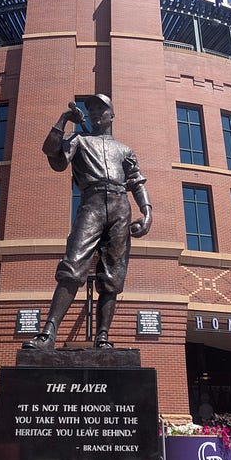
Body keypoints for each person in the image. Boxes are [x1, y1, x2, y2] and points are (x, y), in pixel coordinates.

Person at [22, 94, 154, 350]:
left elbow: (137, 181)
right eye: (91, 109)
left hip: (120, 206)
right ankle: (49, 334)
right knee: (72, 266)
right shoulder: (78, 139)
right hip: (91, 203)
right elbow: (52, 154)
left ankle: (102, 337)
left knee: (113, 276)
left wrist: (147, 212)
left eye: (101, 109)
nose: (95, 113)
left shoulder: (124, 150)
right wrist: (63, 120)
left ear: (111, 115)